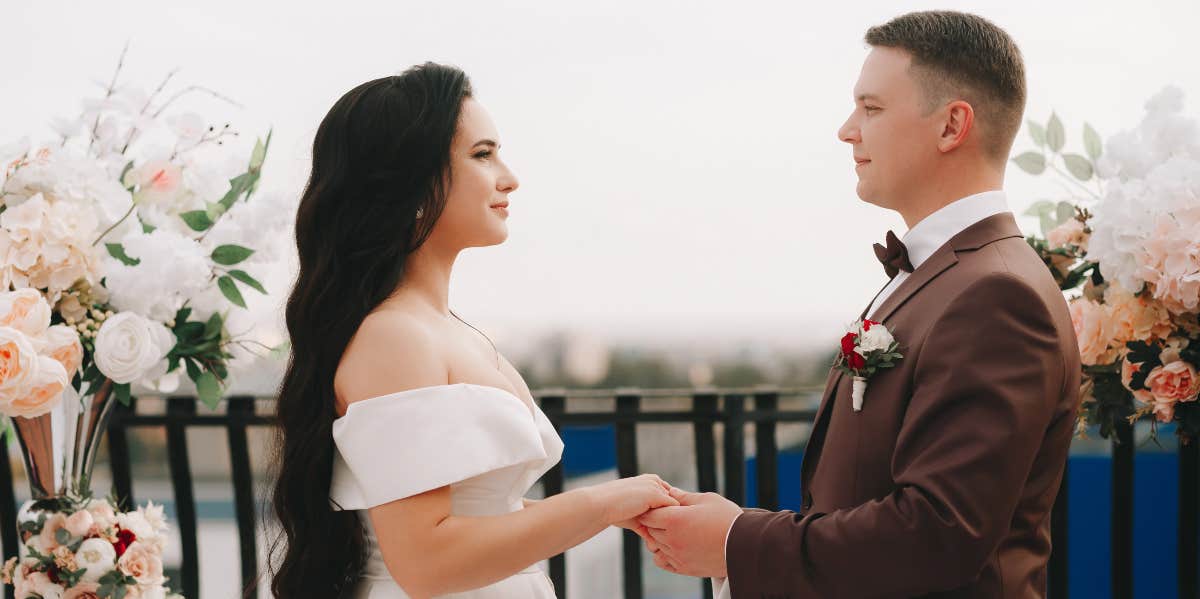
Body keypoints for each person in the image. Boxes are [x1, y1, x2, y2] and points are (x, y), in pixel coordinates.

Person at [638, 11, 1081, 598]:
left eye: (871, 109)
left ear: (952, 125)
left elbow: (938, 533)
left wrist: (735, 541)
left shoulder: (997, 295)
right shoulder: (944, 273)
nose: (848, 130)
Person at [268, 62, 676, 599]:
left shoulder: (442, 330)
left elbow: (483, 512)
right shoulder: (394, 338)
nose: (509, 176)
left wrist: (619, 506)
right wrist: (599, 505)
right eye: (483, 154)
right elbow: (427, 562)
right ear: (410, 181)